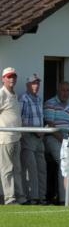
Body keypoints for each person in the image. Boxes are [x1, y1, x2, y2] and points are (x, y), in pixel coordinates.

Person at [44, 81, 69, 204]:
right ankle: (65, 199)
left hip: (68, 141)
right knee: (65, 161)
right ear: (58, 90)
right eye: (63, 90)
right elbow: (51, 126)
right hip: (53, 138)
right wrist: (64, 140)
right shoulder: (50, 103)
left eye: (67, 90)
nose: (65, 93)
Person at [19, 73, 48, 204]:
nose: (36, 86)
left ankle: (41, 197)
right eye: (33, 83)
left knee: (41, 168)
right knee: (31, 168)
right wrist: (34, 130)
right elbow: (19, 120)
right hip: (29, 136)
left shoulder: (39, 99)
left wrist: (42, 130)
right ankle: (32, 197)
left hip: (39, 137)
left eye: (37, 83)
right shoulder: (23, 98)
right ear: (27, 85)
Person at [0, 67, 26, 205]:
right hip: (5, 138)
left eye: (14, 76)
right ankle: (9, 199)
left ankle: (20, 197)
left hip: (16, 137)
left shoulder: (14, 94)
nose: (12, 79)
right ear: (3, 78)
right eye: (9, 77)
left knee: (17, 168)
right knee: (7, 169)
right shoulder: (2, 94)